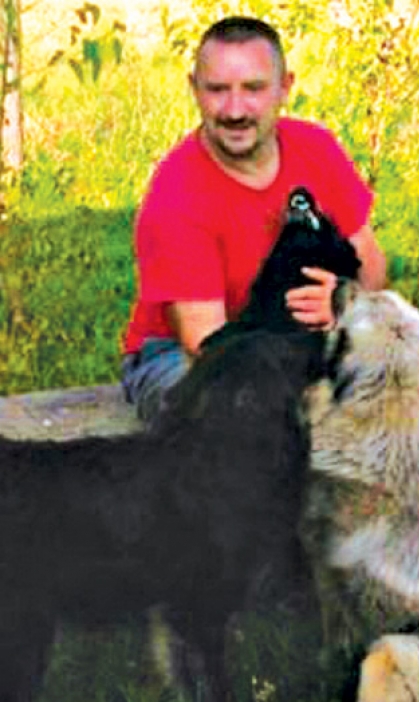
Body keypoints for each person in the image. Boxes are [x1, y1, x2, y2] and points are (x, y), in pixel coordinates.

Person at [122, 15, 386, 421]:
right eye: (217, 90)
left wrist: (343, 301)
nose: (235, 110)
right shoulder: (176, 195)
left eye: (253, 89)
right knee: (241, 413)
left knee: (395, 384)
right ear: (194, 89)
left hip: (295, 336)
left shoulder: (316, 148)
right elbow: (206, 344)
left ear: (285, 87)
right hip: (181, 354)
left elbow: (372, 266)